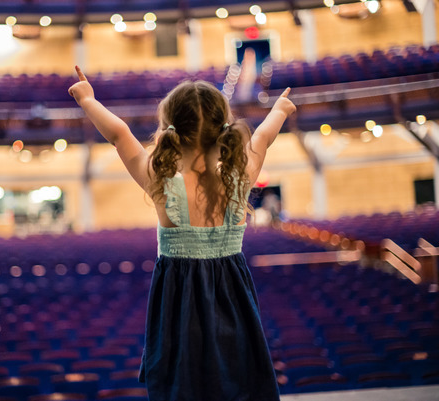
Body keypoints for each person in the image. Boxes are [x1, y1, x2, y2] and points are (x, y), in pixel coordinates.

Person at [69, 66, 296, 401]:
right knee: (238, 376)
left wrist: (87, 100)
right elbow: (262, 139)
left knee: (184, 383)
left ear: (170, 126)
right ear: (223, 127)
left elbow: (119, 135)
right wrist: (280, 110)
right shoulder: (239, 177)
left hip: (180, 303)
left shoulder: (160, 180)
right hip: (232, 297)